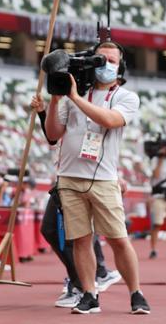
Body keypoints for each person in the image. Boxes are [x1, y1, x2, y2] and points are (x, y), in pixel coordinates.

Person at [44, 41, 150, 314]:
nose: (106, 64)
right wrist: (56, 99)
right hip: (69, 177)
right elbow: (53, 134)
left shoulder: (126, 97)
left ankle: (136, 292)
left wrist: (75, 97)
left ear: (120, 66)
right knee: (80, 239)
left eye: (112, 60)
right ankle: (90, 293)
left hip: (103, 179)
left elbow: (110, 121)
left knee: (118, 238)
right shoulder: (72, 94)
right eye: (101, 58)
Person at [33, 94, 122, 308]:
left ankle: (83, 282)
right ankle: (91, 276)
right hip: (66, 175)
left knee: (73, 235)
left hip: (86, 177)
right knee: (59, 231)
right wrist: (43, 112)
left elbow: (105, 145)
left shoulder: (92, 105)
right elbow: (53, 136)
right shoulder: (66, 107)